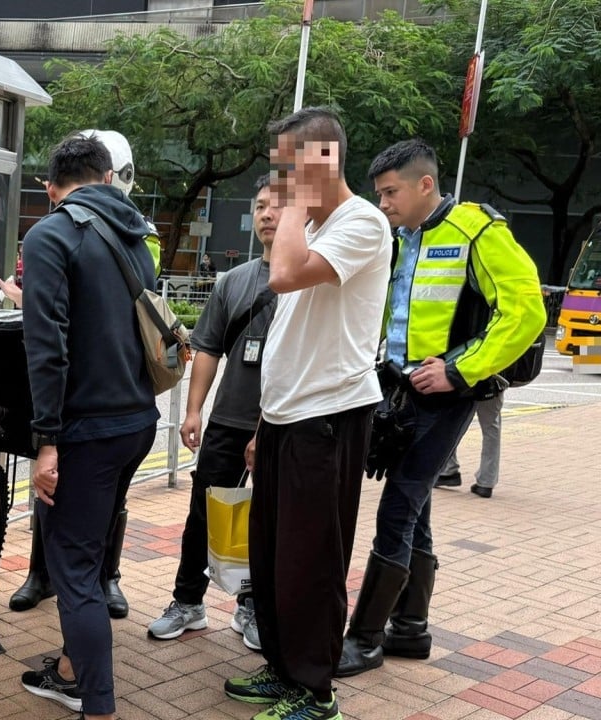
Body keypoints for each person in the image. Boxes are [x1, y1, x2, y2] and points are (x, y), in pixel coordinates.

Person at [337, 139, 543, 677]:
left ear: (425, 184)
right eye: (379, 193)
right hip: (400, 390)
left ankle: (363, 639)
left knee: (398, 508)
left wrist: (457, 370)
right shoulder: (402, 236)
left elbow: (525, 312)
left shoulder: (477, 229)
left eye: (391, 192)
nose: (382, 203)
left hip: (448, 397)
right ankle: (409, 629)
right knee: (416, 504)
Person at [223, 107, 391, 720]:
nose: (281, 183)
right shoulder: (318, 227)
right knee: (272, 558)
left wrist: (292, 202)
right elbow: (292, 329)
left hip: (329, 418)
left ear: (322, 160)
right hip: (287, 419)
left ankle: (316, 693)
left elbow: (285, 275)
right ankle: (283, 668)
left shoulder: (362, 222)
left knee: (312, 559)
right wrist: (264, 425)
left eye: (290, 166)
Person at [17, 132, 157, 720]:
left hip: (86, 430)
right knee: (92, 553)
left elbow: (48, 350)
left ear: (52, 189)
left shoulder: (50, 234)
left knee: (73, 571)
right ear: (106, 179)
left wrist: (45, 444)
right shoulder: (136, 239)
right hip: (137, 422)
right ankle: (72, 669)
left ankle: (95, 704)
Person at [147, 174, 278, 652]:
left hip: (281, 427)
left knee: (265, 521)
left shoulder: (308, 283)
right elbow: (207, 349)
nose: (267, 214)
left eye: (277, 206)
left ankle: (252, 608)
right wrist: (195, 410)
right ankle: (188, 602)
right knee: (202, 515)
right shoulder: (235, 281)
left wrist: (266, 429)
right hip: (227, 421)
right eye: (260, 206)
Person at [433, 394, 501, 498]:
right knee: (491, 429)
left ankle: (449, 470)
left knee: (450, 422)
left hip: (465, 385)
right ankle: (486, 482)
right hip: (493, 384)